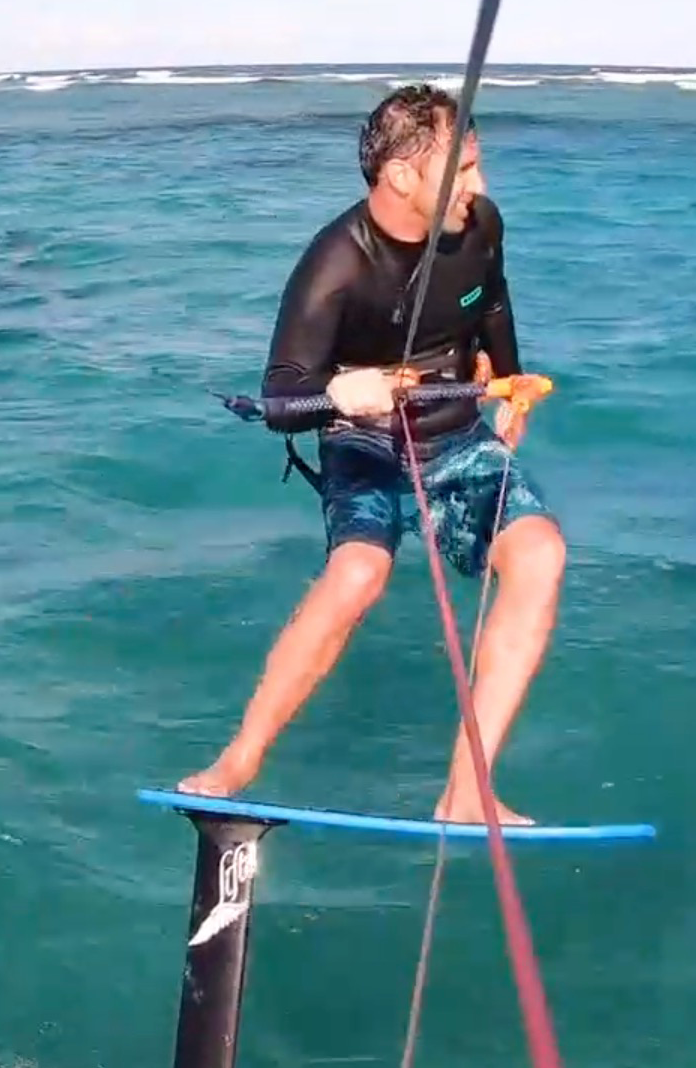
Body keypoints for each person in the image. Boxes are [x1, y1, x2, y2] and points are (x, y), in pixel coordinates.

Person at [178, 83, 566, 824]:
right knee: (358, 572)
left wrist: (511, 382)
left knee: (540, 553)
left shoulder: (480, 225)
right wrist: (337, 394)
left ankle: (466, 792)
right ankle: (237, 761)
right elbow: (280, 399)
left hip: (456, 435)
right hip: (365, 443)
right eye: (465, 168)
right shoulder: (336, 262)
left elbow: (489, 299)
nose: (480, 185)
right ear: (402, 175)